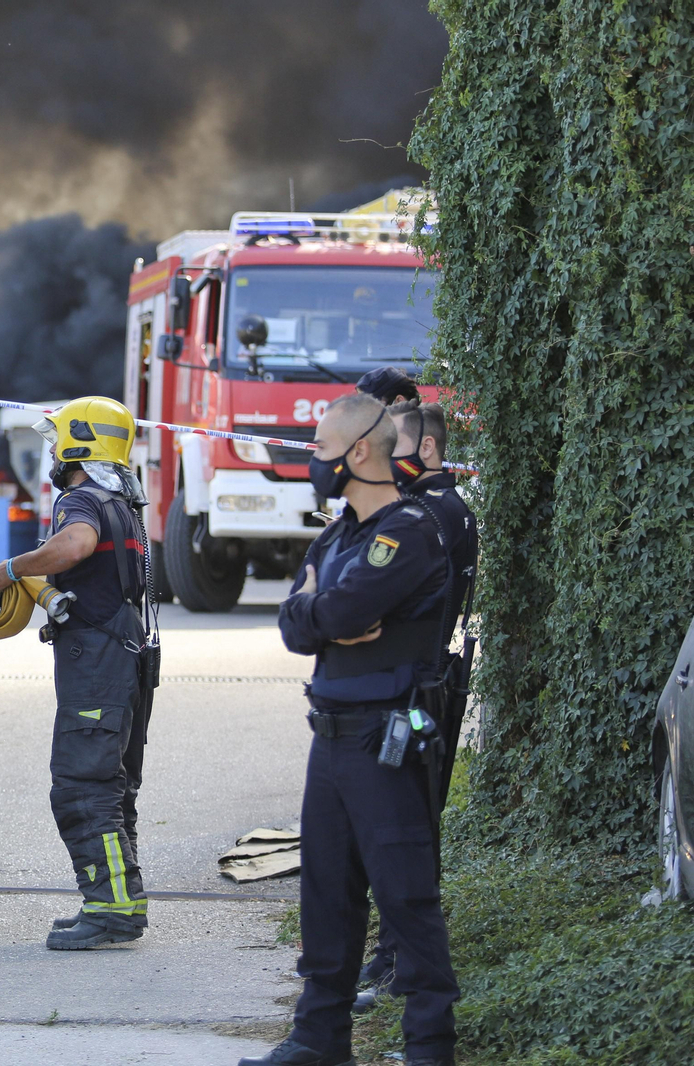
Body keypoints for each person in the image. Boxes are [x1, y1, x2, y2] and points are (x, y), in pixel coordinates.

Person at [241, 392, 457, 1066]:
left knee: (405, 897)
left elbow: (335, 613)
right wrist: (318, 611)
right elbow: (296, 625)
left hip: (383, 740)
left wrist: (319, 610)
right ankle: (319, 1040)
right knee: (326, 897)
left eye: (321, 449)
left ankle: (429, 1048)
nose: (314, 460)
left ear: (359, 451)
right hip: (331, 738)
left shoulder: (408, 532)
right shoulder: (338, 536)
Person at [0, 396, 155, 950]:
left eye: (59, 441)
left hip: (98, 662)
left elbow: (76, 545)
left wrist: (11, 569)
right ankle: (119, 899)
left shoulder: (80, 499)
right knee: (113, 788)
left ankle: (111, 909)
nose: (54, 452)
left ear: (81, 443)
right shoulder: (122, 503)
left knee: (82, 787)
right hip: (126, 655)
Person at [349, 399, 480, 1012]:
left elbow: (369, 606)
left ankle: (402, 966)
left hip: (412, 690)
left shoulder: (426, 514)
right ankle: (392, 957)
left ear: (426, 448)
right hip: (424, 686)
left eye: (391, 445)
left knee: (401, 834)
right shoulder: (444, 508)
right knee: (403, 830)